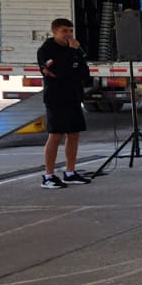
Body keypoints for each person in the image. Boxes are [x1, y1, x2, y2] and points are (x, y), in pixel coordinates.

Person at [37, 17, 94, 189]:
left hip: (73, 95)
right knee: (56, 135)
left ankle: (70, 172)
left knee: (74, 134)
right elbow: (57, 71)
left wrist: (73, 62)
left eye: (70, 31)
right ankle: (48, 175)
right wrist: (70, 56)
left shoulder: (74, 50)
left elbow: (84, 72)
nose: (68, 34)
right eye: (64, 31)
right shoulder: (46, 50)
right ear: (54, 32)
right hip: (56, 97)